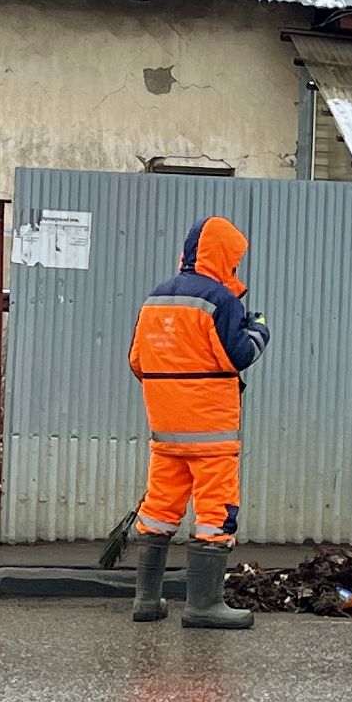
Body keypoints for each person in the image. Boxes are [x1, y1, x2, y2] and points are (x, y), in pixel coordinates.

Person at [127, 215, 270, 629]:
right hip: (211, 434)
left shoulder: (155, 298)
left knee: (159, 510)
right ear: (224, 256)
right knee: (214, 512)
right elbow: (239, 354)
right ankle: (204, 606)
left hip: (166, 431)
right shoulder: (220, 301)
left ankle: (146, 601)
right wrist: (259, 329)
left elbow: (137, 361)